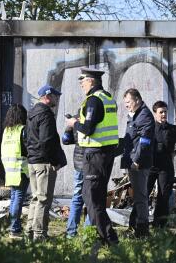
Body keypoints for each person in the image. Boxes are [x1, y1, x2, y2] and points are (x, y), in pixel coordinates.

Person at [66, 67, 119, 245]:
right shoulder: (108, 98)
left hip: (95, 155)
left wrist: (74, 123)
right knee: (98, 197)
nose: (81, 84)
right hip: (106, 154)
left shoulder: (93, 101)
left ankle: (110, 239)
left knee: (91, 198)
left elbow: (88, 129)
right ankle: (103, 237)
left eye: (83, 80)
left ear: (92, 81)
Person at [25, 85, 66, 241]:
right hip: (43, 162)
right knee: (43, 199)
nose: (57, 98)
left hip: (32, 161)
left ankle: (29, 232)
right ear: (47, 96)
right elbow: (46, 141)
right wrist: (55, 161)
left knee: (36, 198)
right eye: (55, 96)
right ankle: (39, 235)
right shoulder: (46, 114)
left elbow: (26, 138)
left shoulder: (32, 113)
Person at [121, 88, 155, 238]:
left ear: (137, 100)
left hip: (138, 164)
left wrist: (136, 160)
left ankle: (142, 231)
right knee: (139, 196)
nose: (126, 105)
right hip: (133, 161)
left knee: (141, 197)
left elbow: (144, 142)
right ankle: (136, 226)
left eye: (128, 102)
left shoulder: (144, 116)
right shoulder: (136, 115)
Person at [148, 101, 176, 228]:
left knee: (163, 196)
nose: (164, 114)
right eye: (161, 112)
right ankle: (138, 223)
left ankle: (159, 225)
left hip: (165, 167)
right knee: (143, 194)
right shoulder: (149, 128)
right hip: (150, 166)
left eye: (165, 112)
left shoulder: (172, 129)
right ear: (155, 113)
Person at [1, 104, 30, 238]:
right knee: (18, 198)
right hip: (21, 168)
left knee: (13, 198)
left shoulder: (7, 131)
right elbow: (27, 149)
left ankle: (12, 226)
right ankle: (15, 228)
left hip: (10, 169)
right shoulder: (22, 130)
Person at [62, 112, 91, 238]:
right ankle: (88, 233)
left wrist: (69, 126)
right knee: (92, 198)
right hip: (91, 163)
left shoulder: (76, 120)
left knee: (77, 197)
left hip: (78, 164)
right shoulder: (92, 119)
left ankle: (71, 232)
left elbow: (66, 140)